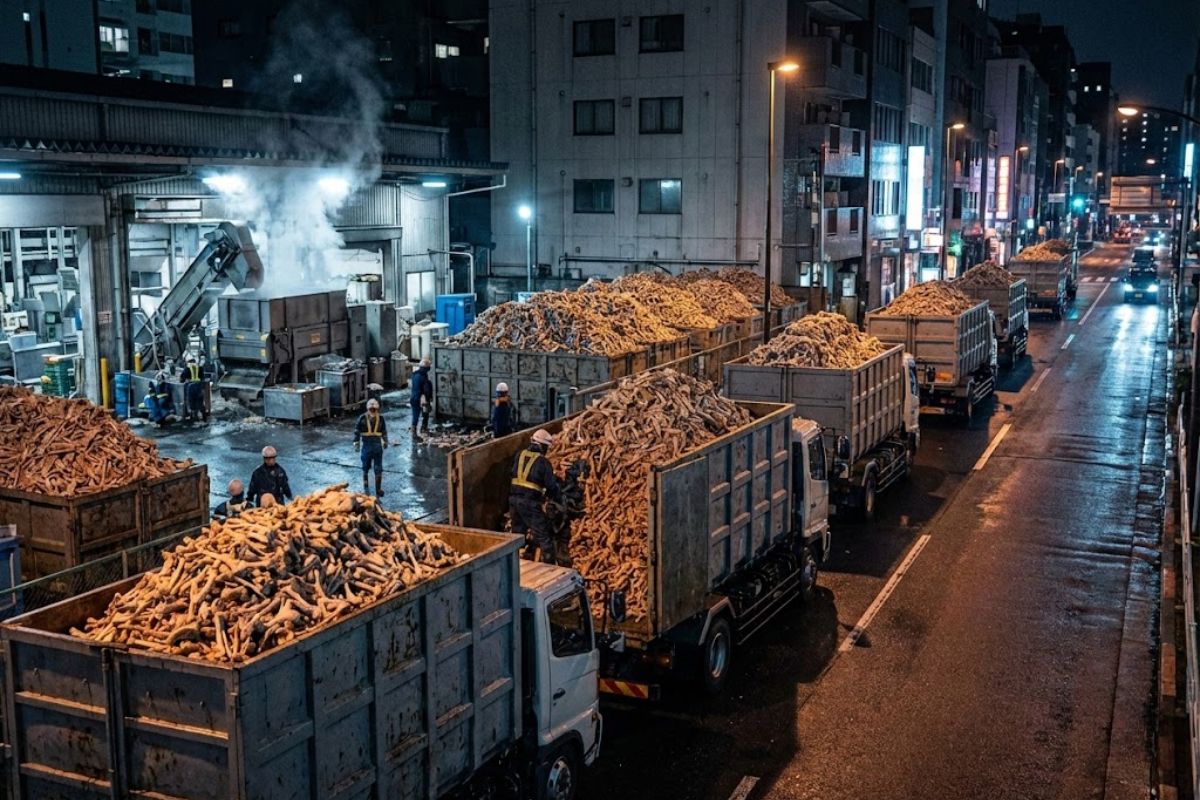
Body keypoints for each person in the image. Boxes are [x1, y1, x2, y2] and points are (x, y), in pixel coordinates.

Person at [509, 428, 561, 563]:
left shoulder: (519, 455)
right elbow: (551, 487)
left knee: (517, 536)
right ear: (543, 446)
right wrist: (556, 498)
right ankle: (549, 570)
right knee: (544, 537)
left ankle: (516, 567)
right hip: (529, 503)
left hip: (513, 501)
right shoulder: (543, 462)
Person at [353, 398, 389, 497]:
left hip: (368, 446)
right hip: (375, 446)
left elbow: (356, 431)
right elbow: (384, 431)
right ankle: (377, 489)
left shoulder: (362, 418)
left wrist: (356, 443)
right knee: (377, 467)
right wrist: (385, 441)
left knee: (366, 465)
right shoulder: (380, 418)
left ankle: (366, 483)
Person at [178, 354, 207, 423]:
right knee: (200, 403)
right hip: (199, 386)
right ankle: (204, 418)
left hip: (190, 387)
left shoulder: (187, 368)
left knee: (192, 404)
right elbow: (203, 378)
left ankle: (195, 420)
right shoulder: (199, 367)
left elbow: (181, 379)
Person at [410, 357, 433, 434]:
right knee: (425, 413)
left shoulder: (414, 375)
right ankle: (424, 428)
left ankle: (414, 429)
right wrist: (429, 398)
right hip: (422, 398)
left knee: (415, 414)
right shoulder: (424, 377)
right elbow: (426, 389)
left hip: (413, 397)